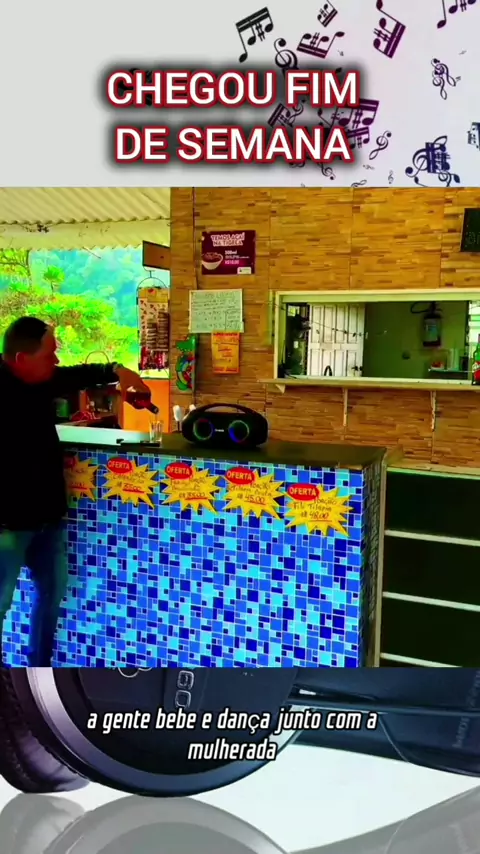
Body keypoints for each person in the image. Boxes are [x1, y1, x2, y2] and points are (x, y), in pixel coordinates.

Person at [0, 316, 152, 666]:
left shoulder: (42, 379)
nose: (56, 360)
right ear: (22, 359)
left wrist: (120, 370)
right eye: (49, 354)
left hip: (48, 517)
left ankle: (39, 669)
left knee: (51, 598)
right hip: (7, 524)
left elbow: (81, 374)